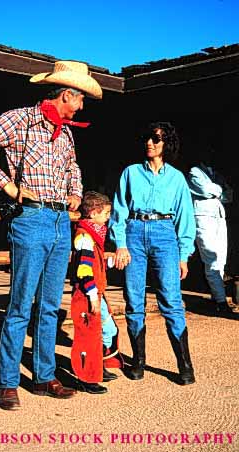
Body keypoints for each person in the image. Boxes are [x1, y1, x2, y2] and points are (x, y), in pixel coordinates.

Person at [0, 60, 103, 410]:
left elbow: (73, 167)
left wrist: (74, 192)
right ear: (67, 94)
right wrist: (8, 186)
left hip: (58, 221)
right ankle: (8, 381)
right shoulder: (20, 119)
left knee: (51, 306)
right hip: (31, 218)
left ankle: (43, 376)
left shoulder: (65, 132)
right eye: (81, 98)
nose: (82, 105)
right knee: (21, 305)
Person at [109, 121, 196, 385]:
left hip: (164, 233)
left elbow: (185, 218)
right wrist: (120, 243)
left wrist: (183, 254)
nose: (150, 143)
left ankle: (184, 364)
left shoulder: (177, 178)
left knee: (170, 299)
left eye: (156, 139)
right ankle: (138, 361)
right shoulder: (131, 173)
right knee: (134, 299)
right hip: (134, 232)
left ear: (166, 144)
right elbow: (119, 210)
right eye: (147, 138)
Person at [70, 191, 123, 394]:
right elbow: (84, 269)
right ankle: (87, 376)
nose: (108, 217)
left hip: (95, 291)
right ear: (93, 213)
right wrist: (92, 295)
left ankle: (97, 367)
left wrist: (110, 261)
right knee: (89, 335)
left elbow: (94, 264)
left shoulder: (93, 236)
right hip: (88, 294)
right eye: (106, 213)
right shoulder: (84, 237)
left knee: (104, 330)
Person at [187, 146, 234, 314]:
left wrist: (216, 191)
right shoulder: (195, 171)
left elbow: (230, 195)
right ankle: (221, 301)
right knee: (211, 257)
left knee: (220, 258)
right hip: (203, 218)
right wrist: (218, 191)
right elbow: (206, 190)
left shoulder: (215, 174)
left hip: (219, 218)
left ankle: (217, 297)